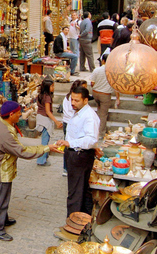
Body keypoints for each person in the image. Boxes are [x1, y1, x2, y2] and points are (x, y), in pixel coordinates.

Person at [0, 101, 63, 241]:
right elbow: (23, 152)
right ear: (10, 114)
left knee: (2, 195)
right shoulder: (5, 134)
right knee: (0, 198)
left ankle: (3, 218)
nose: (21, 116)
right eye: (18, 114)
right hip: (0, 169)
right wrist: (46, 148)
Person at [57, 86, 100, 217]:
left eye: (76, 100)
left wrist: (70, 143)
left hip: (80, 155)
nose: (73, 103)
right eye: (72, 100)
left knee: (75, 193)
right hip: (75, 154)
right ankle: (85, 219)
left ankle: (72, 223)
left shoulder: (89, 116)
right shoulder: (79, 112)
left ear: (85, 100)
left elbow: (91, 139)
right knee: (83, 190)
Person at [61, 79, 88, 176]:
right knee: (69, 145)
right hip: (69, 123)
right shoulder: (69, 99)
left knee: (70, 145)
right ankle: (67, 167)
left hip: (69, 122)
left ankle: (69, 167)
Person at [91, 54, 120, 138]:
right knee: (103, 115)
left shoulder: (97, 70)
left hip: (95, 93)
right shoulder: (113, 72)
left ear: (103, 61)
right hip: (105, 95)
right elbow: (115, 86)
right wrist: (118, 98)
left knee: (99, 111)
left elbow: (92, 83)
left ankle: (96, 129)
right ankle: (100, 133)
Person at [35, 78, 63, 166]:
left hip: (40, 118)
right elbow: (48, 111)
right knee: (45, 141)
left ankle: (44, 157)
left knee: (44, 139)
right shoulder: (47, 97)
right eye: (52, 86)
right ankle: (41, 160)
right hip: (45, 120)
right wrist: (56, 121)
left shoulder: (41, 95)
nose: (53, 88)